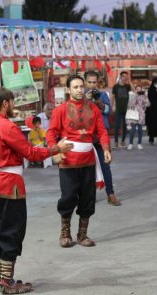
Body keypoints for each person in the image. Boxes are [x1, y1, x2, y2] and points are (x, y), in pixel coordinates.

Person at [0, 87, 72, 295]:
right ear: (5, 103)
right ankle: (7, 282)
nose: (13, 106)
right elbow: (30, 152)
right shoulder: (7, 126)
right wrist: (56, 148)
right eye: (12, 102)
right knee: (12, 232)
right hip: (9, 186)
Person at [47, 75, 111, 248]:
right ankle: (65, 232)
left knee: (88, 198)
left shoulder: (94, 108)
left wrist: (105, 149)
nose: (79, 90)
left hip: (88, 161)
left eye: (81, 86)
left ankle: (82, 235)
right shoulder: (60, 110)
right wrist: (55, 151)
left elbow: (102, 131)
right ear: (68, 90)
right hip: (68, 161)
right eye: (75, 87)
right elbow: (51, 133)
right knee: (68, 197)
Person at [84, 70, 121, 206]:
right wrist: (86, 99)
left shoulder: (103, 95)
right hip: (86, 136)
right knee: (87, 168)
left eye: (95, 82)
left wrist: (98, 101)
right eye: (90, 82)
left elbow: (108, 111)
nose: (93, 85)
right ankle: (89, 195)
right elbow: (78, 113)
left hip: (101, 135)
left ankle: (110, 194)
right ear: (85, 82)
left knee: (105, 165)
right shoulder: (81, 96)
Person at [111, 71, 132, 148]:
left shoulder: (127, 86)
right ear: (120, 77)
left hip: (126, 109)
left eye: (126, 76)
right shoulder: (115, 87)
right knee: (117, 125)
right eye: (123, 76)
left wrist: (130, 82)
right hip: (118, 108)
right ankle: (116, 142)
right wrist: (112, 106)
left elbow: (134, 91)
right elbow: (112, 97)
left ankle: (123, 141)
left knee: (124, 125)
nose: (125, 78)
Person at [127, 85, 150, 150]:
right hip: (134, 113)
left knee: (140, 130)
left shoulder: (143, 96)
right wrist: (135, 96)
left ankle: (139, 144)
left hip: (141, 114)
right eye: (137, 89)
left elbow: (148, 104)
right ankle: (130, 144)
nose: (138, 90)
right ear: (135, 90)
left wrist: (146, 96)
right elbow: (130, 104)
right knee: (133, 130)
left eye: (140, 89)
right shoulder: (132, 95)